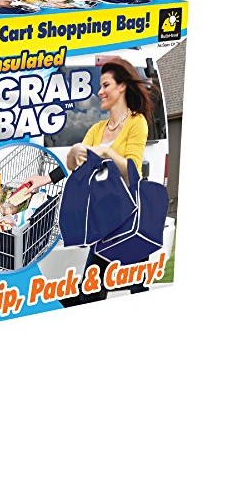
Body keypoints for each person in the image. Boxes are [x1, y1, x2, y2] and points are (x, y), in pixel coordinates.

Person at [60, 57, 156, 306]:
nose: (99, 92)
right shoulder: (96, 129)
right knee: (91, 289)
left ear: (122, 86)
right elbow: (76, 167)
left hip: (129, 216)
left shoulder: (136, 122)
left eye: (105, 85)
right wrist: (73, 153)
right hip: (103, 219)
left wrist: (106, 152)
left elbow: (133, 171)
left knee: (136, 285)